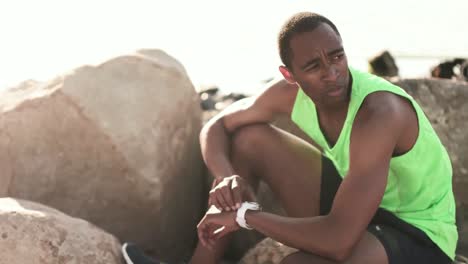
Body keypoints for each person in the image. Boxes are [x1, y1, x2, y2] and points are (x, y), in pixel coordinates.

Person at [122, 12, 458, 264]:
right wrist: (227, 178)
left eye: (337, 56)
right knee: (249, 138)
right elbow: (217, 126)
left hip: (416, 231)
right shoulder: (287, 94)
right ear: (289, 74)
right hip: (354, 198)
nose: (332, 72)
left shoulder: (380, 112)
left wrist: (244, 216)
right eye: (313, 65)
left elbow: (340, 240)